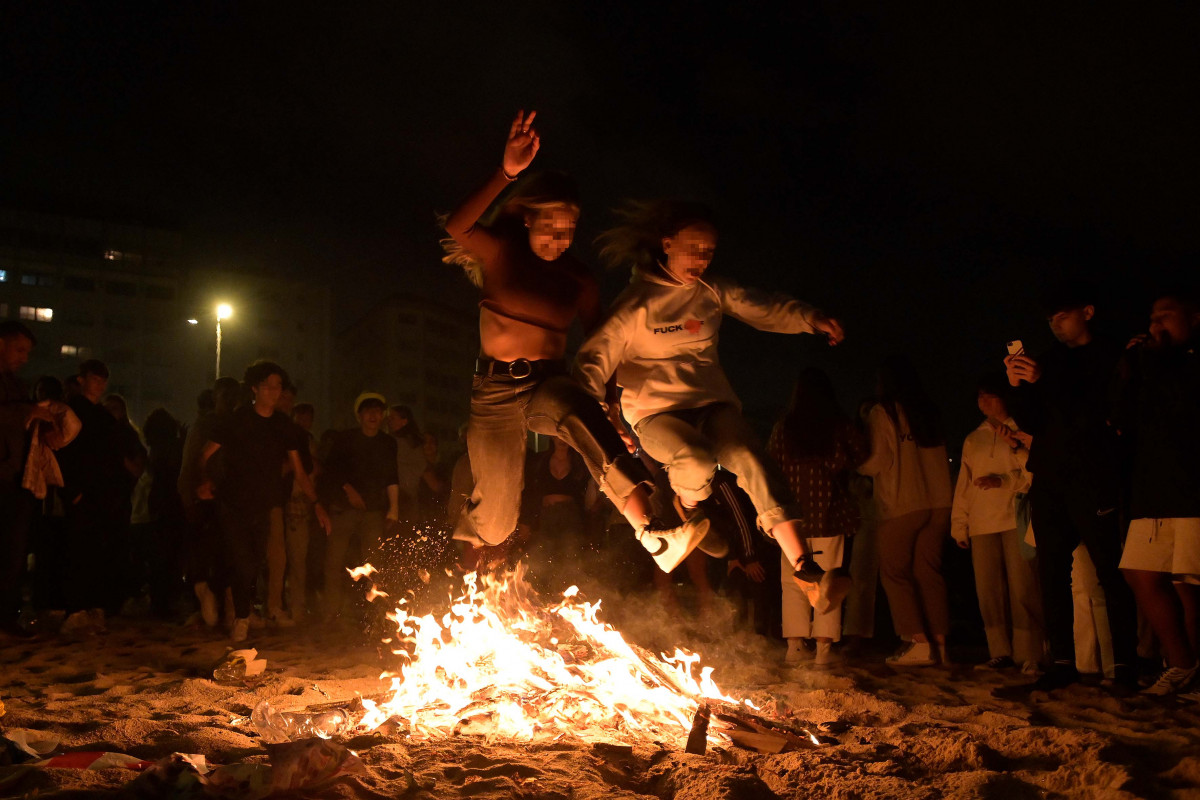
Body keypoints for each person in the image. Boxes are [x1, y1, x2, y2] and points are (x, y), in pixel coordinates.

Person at [440, 111, 708, 571]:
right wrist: (507, 172)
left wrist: (613, 411)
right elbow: (457, 227)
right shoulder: (502, 252)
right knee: (499, 523)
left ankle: (654, 535)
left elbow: (605, 345)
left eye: (568, 232)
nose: (559, 240)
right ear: (528, 219)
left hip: (548, 386)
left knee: (579, 408)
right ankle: (474, 547)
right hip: (494, 393)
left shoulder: (579, 279)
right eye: (550, 228)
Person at [574, 199, 845, 604]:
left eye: (709, 251)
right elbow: (594, 359)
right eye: (692, 248)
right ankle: (688, 505)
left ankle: (806, 568)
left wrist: (809, 318)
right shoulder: (636, 304)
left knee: (750, 458)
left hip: (711, 404)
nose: (701, 259)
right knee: (696, 459)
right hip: (655, 413)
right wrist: (600, 414)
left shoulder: (711, 292)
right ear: (667, 244)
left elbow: (763, 306)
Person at [1001, 287, 1139, 694]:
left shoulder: (1111, 356)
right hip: (1050, 475)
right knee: (1052, 571)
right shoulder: (1049, 359)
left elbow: (1097, 413)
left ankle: (1125, 664)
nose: (1055, 325)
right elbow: (1033, 421)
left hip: (1094, 475)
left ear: (1088, 311)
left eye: (1061, 316)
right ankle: (1062, 662)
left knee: (1109, 570)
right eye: (1049, 320)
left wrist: (1044, 381)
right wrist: (1018, 386)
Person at [197, 361, 331, 642]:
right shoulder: (237, 419)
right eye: (268, 386)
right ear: (254, 389)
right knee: (240, 559)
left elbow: (299, 470)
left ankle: (213, 587)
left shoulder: (285, 426)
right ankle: (242, 618)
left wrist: (316, 502)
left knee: (254, 562)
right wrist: (207, 481)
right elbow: (207, 453)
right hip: (231, 500)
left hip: (264, 503)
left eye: (278, 386)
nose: (275, 392)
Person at [1112, 291, 1200, 695]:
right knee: (1139, 572)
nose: (1156, 326)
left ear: (1193, 319)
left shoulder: (1189, 362)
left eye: (1166, 316)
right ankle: (1184, 663)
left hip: (1190, 486)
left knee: (1191, 586)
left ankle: (1188, 669)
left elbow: (1182, 409)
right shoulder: (1148, 367)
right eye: (1152, 318)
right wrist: (1130, 374)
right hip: (1151, 486)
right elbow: (1126, 422)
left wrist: (1154, 363)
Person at [769, 367, 867, 668]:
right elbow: (862, 454)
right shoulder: (839, 425)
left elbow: (770, 463)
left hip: (791, 520)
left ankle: (795, 646)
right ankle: (824, 649)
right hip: (830, 514)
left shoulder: (785, 427)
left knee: (793, 582)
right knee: (829, 584)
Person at [858, 355, 952, 666]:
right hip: (939, 502)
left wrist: (853, 466)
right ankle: (940, 645)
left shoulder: (883, 412)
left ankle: (917, 641)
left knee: (895, 574)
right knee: (928, 572)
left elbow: (880, 460)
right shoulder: (929, 410)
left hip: (902, 503)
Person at [951, 374, 1042, 672]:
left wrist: (1001, 480)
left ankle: (1030, 652)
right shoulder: (973, 438)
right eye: (980, 396)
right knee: (988, 589)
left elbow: (1031, 474)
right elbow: (963, 484)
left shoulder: (1021, 430)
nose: (984, 402)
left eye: (991, 395)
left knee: (1023, 587)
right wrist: (959, 525)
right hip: (981, 523)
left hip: (1014, 518)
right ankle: (999, 650)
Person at [58, 360, 146, 633]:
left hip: (103, 495)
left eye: (102, 380)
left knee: (97, 552)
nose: (99, 384)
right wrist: (72, 491)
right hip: (83, 493)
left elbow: (115, 457)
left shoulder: (103, 417)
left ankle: (94, 607)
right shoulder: (72, 410)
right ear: (82, 379)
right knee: (78, 551)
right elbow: (65, 453)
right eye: (94, 379)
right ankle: (76, 609)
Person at [318, 393, 400, 623]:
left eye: (378, 411)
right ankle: (331, 611)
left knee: (374, 563)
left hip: (373, 511)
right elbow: (331, 471)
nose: (373, 415)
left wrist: (393, 509)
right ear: (359, 415)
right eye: (368, 411)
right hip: (344, 509)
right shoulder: (345, 439)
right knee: (335, 560)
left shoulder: (387, 443)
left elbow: (391, 477)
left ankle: (373, 614)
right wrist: (348, 489)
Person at [0, 322, 51, 639]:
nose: (24, 358)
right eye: (19, 350)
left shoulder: (16, 385)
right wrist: (26, 413)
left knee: (13, 554)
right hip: (4, 474)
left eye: (27, 353)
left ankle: (6, 615)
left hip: (17, 478)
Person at [178, 378, 239, 628]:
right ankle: (209, 607)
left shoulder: (233, 424)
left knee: (223, 553)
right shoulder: (207, 425)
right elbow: (192, 459)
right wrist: (189, 495)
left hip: (228, 498)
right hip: (209, 497)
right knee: (206, 552)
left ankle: (218, 610)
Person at [388, 405, 425, 523]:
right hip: (408, 495)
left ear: (404, 421)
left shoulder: (399, 443)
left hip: (402, 496)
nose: (389, 421)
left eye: (393, 418)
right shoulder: (413, 443)